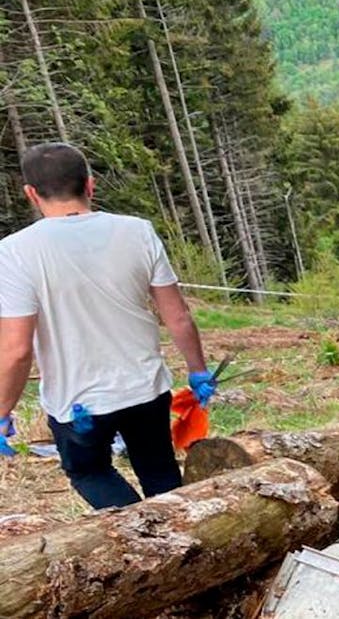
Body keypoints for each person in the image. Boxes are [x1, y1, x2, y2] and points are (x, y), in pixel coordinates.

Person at [0, 143, 216, 509]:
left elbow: (17, 349)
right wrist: (198, 371)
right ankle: (179, 536)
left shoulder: (16, 252)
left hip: (78, 402)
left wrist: (3, 411)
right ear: (90, 185)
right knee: (160, 471)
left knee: (91, 473)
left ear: (31, 193)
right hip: (145, 387)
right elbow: (177, 315)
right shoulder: (138, 232)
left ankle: (144, 535)